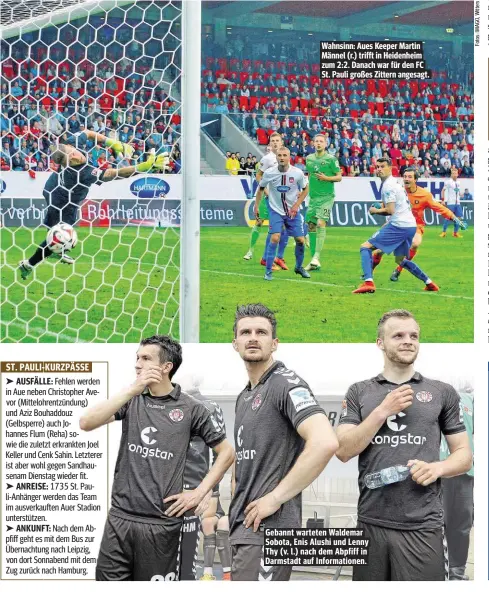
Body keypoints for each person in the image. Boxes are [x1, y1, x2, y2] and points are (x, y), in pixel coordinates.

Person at [79, 335, 234, 581]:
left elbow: (227, 453)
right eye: (137, 358)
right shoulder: (132, 399)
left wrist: (200, 492)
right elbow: (86, 422)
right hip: (120, 519)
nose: (138, 364)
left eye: (146, 358)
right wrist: (132, 389)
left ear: (166, 367)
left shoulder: (191, 409)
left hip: (161, 525)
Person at [336, 309, 472, 581]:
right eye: (398, 335)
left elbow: (464, 456)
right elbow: (343, 450)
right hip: (371, 522)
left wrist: (437, 469)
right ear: (380, 343)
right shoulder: (359, 391)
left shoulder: (441, 392)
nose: (408, 341)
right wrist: (381, 411)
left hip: (423, 525)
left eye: (414, 336)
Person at [229, 304, 338, 580]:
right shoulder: (244, 396)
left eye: (261, 332)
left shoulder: (285, 384)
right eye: (246, 332)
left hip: (271, 531)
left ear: (274, 343)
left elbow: (325, 442)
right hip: (244, 529)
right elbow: (242, 459)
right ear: (235, 343)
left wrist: (275, 498)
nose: (253, 337)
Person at [18, 130, 168, 279]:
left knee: (57, 234)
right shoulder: (81, 173)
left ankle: (56, 249)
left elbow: (87, 133)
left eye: (73, 151)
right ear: (68, 163)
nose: (76, 155)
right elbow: (113, 174)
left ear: (70, 145)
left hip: (52, 187)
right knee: (60, 234)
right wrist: (143, 167)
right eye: (71, 158)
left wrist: (114, 143)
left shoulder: (70, 144)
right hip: (62, 201)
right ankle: (29, 264)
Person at [353, 157, 439, 294]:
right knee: (400, 260)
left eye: (382, 167)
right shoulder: (395, 183)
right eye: (377, 167)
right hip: (410, 225)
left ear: (390, 168)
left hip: (399, 225)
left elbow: (390, 210)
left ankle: (368, 282)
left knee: (365, 247)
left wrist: (374, 211)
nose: (379, 169)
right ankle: (429, 283)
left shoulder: (388, 186)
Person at [178, 376, 232, 581]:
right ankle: (212, 573)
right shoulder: (212, 406)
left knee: (211, 524)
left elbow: (222, 453)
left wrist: (211, 490)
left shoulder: (204, 407)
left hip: (195, 487)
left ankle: (216, 573)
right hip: (198, 486)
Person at [389, 168, 466, 282]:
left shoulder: (424, 195)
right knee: (377, 249)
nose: (406, 179)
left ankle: (398, 270)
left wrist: (455, 219)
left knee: (415, 244)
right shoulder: (398, 191)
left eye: (410, 177)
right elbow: (387, 203)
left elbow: (439, 208)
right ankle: (368, 276)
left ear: (415, 180)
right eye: (405, 176)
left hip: (416, 225)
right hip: (397, 224)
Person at [254, 147, 310, 280]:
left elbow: (306, 188)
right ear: (277, 157)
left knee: (300, 240)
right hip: (276, 210)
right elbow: (261, 188)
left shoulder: (297, 173)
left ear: (289, 157)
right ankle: (268, 271)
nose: (282, 157)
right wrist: (256, 206)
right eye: (279, 155)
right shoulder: (269, 173)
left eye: (285, 155)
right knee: (275, 237)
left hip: (292, 211)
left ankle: (299, 267)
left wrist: (296, 205)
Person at [440, 381, 474, 581]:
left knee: (462, 523)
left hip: (465, 473)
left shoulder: (472, 400)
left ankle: (457, 573)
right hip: (439, 468)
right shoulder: (432, 393)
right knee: (437, 523)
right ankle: (438, 570)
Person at [243, 133, 288, 271]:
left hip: (280, 197)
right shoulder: (267, 159)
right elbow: (258, 176)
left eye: (277, 141)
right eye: (273, 141)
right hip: (267, 196)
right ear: (270, 143)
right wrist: (266, 191)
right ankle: (250, 250)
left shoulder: (285, 157)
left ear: (281, 142)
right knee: (260, 222)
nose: (275, 143)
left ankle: (276, 257)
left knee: (282, 227)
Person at [304, 133, 342, 271]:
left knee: (320, 223)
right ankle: (314, 261)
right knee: (311, 226)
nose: (318, 143)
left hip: (327, 197)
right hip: (313, 198)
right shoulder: (309, 159)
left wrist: (326, 178)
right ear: (313, 143)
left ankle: (316, 257)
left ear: (326, 144)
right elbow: (310, 177)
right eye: (316, 141)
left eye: (321, 141)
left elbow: (339, 177)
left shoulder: (331, 159)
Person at [440, 167, 463, 238]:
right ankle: (443, 232)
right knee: (448, 217)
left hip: (458, 203)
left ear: (457, 174)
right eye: (453, 173)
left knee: (458, 218)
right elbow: (443, 190)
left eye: (455, 173)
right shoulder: (448, 182)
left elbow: (458, 191)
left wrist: (460, 194)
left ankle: (455, 233)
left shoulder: (458, 182)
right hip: (451, 203)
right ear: (451, 174)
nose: (454, 175)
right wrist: (443, 200)